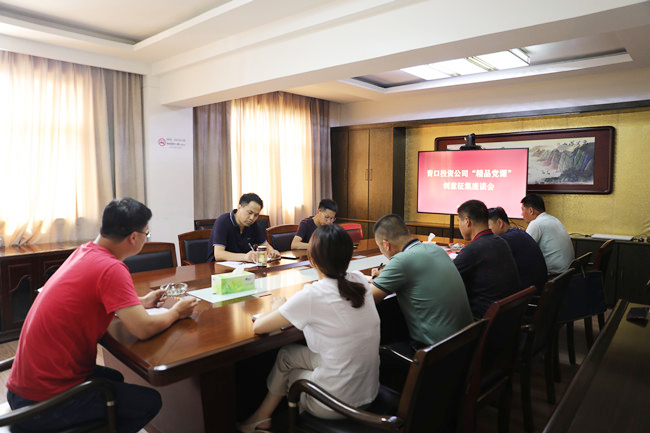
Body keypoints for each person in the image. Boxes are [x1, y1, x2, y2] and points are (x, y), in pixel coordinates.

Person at [6, 198, 199, 433]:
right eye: (146, 234)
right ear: (134, 237)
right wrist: (177, 312)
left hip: (23, 387)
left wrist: (140, 302)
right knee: (148, 402)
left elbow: (92, 298)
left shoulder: (85, 252)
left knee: (114, 378)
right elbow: (144, 329)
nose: (145, 239)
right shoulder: (111, 268)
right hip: (40, 404)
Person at [238, 224, 380, 432]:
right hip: (368, 393)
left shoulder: (313, 294)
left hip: (335, 405)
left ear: (312, 260)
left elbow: (259, 327)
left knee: (293, 373)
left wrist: (277, 308)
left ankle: (289, 423)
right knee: (286, 355)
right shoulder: (359, 279)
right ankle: (261, 418)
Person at [370, 214, 473, 354]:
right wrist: (385, 274)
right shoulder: (436, 249)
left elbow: (367, 298)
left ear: (386, 245)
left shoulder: (401, 261)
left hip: (436, 352)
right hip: (466, 341)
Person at [454, 200, 521, 318]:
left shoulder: (473, 249)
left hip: (484, 320)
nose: (458, 225)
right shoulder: (501, 241)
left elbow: (448, 280)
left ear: (467, 221)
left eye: (459, 221)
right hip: (508, 316)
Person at [488, 206, 548, 293]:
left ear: (500, 223)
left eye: (488, 228)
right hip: (537, 288)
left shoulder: (505, 240)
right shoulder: (518, 232)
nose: (486, 233)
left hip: (528, 294)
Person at [208, 193, 280, 262]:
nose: (252, 218)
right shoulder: (223, 222)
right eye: (250, 213)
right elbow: (219, 254)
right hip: (219, 267)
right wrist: (245, 257)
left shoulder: (252, 224)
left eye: (256, 215)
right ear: (239, 207)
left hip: (244, 266)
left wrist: (272, 251)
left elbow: (265, 245)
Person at [520, 193, 574, 274]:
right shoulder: (554, 219)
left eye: (522, 210)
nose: (521, 214)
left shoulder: (536, 224)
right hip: (568, 273)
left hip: (555, 276)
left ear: (531, 211)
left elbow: (523, 252)